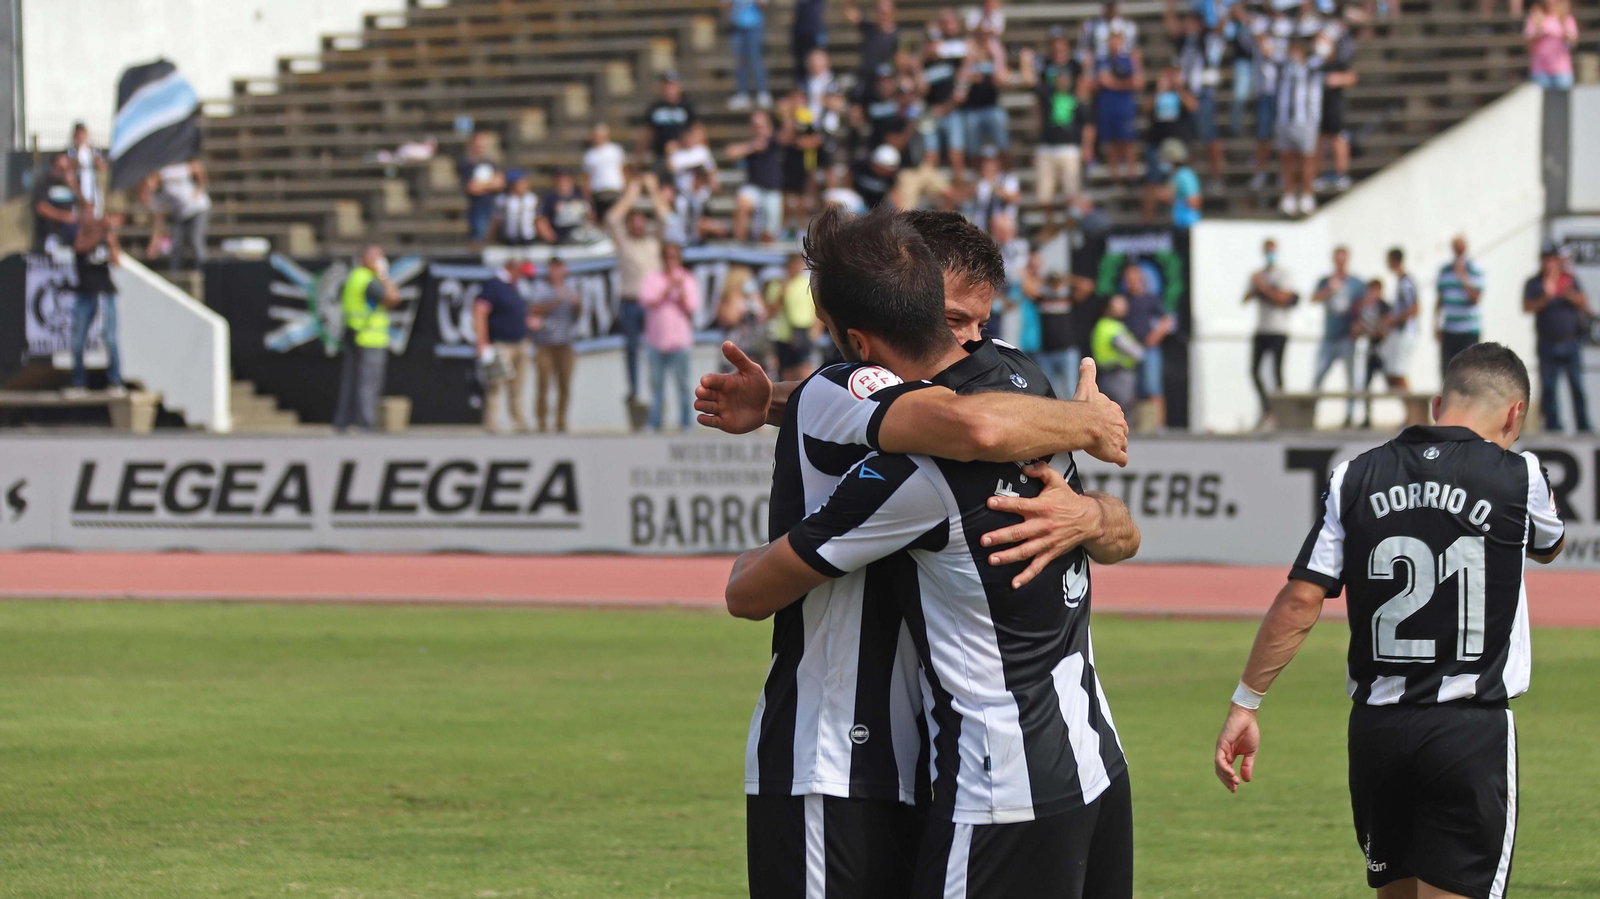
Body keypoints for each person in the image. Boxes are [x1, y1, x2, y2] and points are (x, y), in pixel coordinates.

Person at [714, 206, 1136, 899]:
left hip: (950, 759)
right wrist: (1091, 422)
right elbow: (952, 419)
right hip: (834, 751)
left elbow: (1116, 526)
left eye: (981, 322)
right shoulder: (946, 414)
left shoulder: (1001, 400)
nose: (971, 340)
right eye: (954, 319)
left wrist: (1089, 512)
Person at [1215, 342, 1565, 899]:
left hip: (1377, 735)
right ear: (1515, 413)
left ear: (1435, 404)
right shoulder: (1519, 475)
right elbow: (1548, 545)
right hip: (1467, 732)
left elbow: (1301, 600)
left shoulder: (1354, 474)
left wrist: (1245, 702)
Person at [603, 176, 663, 425]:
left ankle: (653, 391)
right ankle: (634, 389)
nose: (638, 225)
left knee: (653, 350)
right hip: (630, 302)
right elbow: (611, 219)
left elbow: (667, 218)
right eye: (634, 221)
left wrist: (653, 190)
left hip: (652, 306)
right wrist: (630, 196)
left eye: (642, 221)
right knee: (630, 349)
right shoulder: (624, 243)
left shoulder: (653, 242)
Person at [1523, 243, 1592, 433]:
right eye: (1546, 260)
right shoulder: (1534, 283)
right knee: (1549, 388)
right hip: (1547, 344)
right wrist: (1547, 295)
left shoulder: (1569, 280)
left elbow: (1584, 302)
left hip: (1570, 342)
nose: (1550, 263)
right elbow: (1527, 306)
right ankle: (1553, 426)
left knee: (1577, 386)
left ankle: (1583, 425)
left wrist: (1567, 293)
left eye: (1553, 259)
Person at [1026, 27, 1088, 233]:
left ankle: (1070, 224)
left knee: (1071, 191)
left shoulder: (1075, 69)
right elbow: (1033, 88)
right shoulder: (1046, 83)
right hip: (1048, 141)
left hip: (1069, 142)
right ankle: (1050, 224)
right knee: (1045, 192)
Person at [333, 246, 400, 431]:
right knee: (368, 384)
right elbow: (393, 297)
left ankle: (343, 422)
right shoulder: (368, 280)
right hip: (369, 337)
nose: (381, 261)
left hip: (354, 334)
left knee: (351, 382)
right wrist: (384, 274)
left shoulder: (355, 277)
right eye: (378, 258)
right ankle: (365, 425)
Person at [638, 243, 700, 431]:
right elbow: (646, 301)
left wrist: (680, 292)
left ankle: (686, 423)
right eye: (667, 256)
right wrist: (667, 288)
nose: (670, 260)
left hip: (680, 342)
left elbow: (692, 306)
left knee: (683, 386)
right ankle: (655, 422)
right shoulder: (652, 278)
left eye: (673, 257)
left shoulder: (687, 279)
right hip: (656, 341)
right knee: (657, 387)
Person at [68, 203, 124, 396]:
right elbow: (82, 247)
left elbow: (116, 262)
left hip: (105, 293)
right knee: (78, 340)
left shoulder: (104, 237)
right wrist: (102, 230)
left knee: (110, 337)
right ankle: (78, 382)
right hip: (85, 294)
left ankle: (115, 380)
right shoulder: (79, 235)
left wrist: (112, 242)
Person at [1168, 4, 1225, 186]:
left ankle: (1216, 176)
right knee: (1188, 138)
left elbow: (1220, 28)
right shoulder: (1184, 43)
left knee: (1209, 136)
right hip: (1186, 93)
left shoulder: (1208, 40)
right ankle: (1190, 179)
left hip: (1203, 94)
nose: (1187, 25)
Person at [474, 258, 532, 432]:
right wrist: (482, 342)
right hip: (500, 344)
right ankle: (492, 423)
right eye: (521, 271)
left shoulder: (516, 287)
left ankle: (519, 423)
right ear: (512, 267)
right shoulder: (494, 285)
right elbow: (480, 312)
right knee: (495, 386)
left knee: (518, 387)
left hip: (520, 343)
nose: (523, 276)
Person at [1245, 238, 1297, 429]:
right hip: (1262, 328)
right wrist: (1255, 286)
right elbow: (1246, 297)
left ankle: (1280, 414)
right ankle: (1267, 409)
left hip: (1279, 329)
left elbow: (1284, 298)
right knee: (1254, 371)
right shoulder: (1258, 275)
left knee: (1277, 372)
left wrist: (1263, 287)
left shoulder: (1283, 274)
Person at [1313, 245, 1365, 427]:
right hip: (1329, 337)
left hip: (1347, 338)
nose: (1341, 263)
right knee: (1318, 377)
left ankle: (1350, 416)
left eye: (1343, 259)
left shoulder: (1357, 283)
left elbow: (1364, 306)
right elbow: (1313, 298)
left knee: (1351, 378)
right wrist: (1329, 289)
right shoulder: (1326, 280)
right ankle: (1311, 413)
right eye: (1338, 259)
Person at [530, 256, 581, 433]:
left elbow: (579, 315)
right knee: (543, 384)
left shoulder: (572, 287)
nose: (557, 272)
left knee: (564, 385)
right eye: (553, 268)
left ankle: (561, 421)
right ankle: (542, 422)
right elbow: (533, 309)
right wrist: (555, 301)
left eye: (560, 268)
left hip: (566, 344)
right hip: (545, 344)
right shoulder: (540, 287)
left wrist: (576, 304)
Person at [1121, 264, 1175, 428]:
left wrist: (1155, 336)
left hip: (1149, 348)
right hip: (1130, 350)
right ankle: (1137, 423)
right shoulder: (1124, 300)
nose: (1131, 282)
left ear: (1141, 279)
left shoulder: (1150, 298)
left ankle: (1160, 424)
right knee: (1133, 389)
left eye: (1134, 278)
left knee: (1153, 387)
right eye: (1128, 279)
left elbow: (1167, 320)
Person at [1276, 35, 1323, 217]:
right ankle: (1288, 195)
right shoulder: (1284, 68)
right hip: (1284, 119)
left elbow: (1324, 55)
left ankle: (1307, 194)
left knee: (1306, 159)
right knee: (1287, 159)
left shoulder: (1312, 68)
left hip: (1305, 120)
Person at [140, 159, 211, 275]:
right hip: (181, 215)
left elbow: (197, 167)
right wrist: (154, 243)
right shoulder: (155, 197)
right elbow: (159, 220)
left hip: (197, 208)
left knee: (196, 239)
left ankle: (205, 270)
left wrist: (201, 187)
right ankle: (175, 274)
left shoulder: (170, 174)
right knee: (176, 243)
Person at [923, 8, 971, 180]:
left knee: (955, 154)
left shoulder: (955, 55)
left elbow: (962, 85)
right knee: (931, 156)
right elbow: (921, 89)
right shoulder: (924, 60)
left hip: (951, 110)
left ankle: (957, 192)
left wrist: (947, 107)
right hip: (930, 111)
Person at [1248, 5, 1291, 194]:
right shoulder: (1259, 23)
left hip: (1285, 88)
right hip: (1265, 89)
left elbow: (1279, 55)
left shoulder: (1290, 25)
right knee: (1263, 134)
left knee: (1283, 135)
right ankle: (1261, 171)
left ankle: (1284, 174)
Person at [727, 110, 788, 242]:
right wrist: (753, 146)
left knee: (769, 235)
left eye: (762, 126)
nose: (759, 130)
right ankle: (739, 243)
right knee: (743, 202)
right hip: (754, 188)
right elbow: (729, 153)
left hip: (773, 191)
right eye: (755, 126)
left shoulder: (776, 143)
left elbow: (789, 136)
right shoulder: (750, 146)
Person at [1314, 15, 1358, 193]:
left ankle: (1341, 174)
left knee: (1338, 139)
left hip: (1334, 108)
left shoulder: (1338, 63)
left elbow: (1352, 77)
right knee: (1319, 142)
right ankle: (1320, 175)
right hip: (1318, 109)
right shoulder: (1315, 64)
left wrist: (1337, 79)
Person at [1095, 30, 1143, 186]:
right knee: (1111, 143)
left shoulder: (1128, 60)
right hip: (1108, 107)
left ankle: (1131, 175)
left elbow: (1137, 82)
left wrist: (1114, 84)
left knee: (1128, 142)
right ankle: (1114, 176)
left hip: (1124, 108)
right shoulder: (1103, 61)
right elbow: (1101, 81)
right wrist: (1123, 84)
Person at [1437, 235, 1485, 378]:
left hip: (1468, 330)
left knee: (1469, 372)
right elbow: (1440, 299)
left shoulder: (1475, 270)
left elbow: (1476, 298)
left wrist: (1463, 278)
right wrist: (1436, 324)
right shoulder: (1445, 271)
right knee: (1448, 372)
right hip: (1449, 329)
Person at [959, 31, 1012, 155]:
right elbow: (962, 81)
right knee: (973, 147)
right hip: (971, 108)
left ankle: (1007, 172)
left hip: (992, 107)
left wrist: (995, 57)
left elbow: (1002, 79)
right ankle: (976, 172)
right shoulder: (968, 60)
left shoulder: (994, 59)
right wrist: (970, 61)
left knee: (1003, 143)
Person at [1092, 292, 1144, 414]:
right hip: (1119, 374)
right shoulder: (1113, 327)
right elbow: (1136, 352)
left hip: (1105, 374)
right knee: (1122, 410)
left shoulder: (1100, 325)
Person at [768, 253, 817, 380]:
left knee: (803, 366)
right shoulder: (778, 285)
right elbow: (771, 311)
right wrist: (781, 293)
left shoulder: (808, 284)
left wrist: (816, 329)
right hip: (783, 332)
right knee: (786, 368)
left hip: (803, 329)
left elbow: (816, 308)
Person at [716, 265, 771, 375]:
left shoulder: (753, 296)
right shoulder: (729, 298)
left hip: (756, 350)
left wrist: (754, 298)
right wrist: (739, 301)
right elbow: (730, 319)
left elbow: (763, 315)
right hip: (736, 348)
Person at [843, 0, 902, 100]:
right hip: (865, 78)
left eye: (885, 12)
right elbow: (849, 14)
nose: (883, 14)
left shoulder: (896, 35)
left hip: (884, 82)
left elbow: (899, 61)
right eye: (880, 11)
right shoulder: (868, 28)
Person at [457, 131, 505, 250]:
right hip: (477, 207)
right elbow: (472, 188)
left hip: (492, 205)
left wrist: (482, 185)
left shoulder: (490, 162)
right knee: (477, 235)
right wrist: (490, 184)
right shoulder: (467, 164)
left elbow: (500, 183)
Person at [1382, 247, 1419, 394]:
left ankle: (1413, 410)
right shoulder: (1400, 281)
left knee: (1398, 372)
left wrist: (1394, 319)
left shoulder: (1406, 282)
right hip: (1400, 333)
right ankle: (1409, 410)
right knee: (1393, 373)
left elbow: (1414, 308)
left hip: (1405, 333)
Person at [640, 72, 697, 162]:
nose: (669, 89)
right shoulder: (655, 108)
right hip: (660, 155)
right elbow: (647, 133)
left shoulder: (686, 106)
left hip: (683, 153)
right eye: (666, 85)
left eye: (672, 85)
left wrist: (679, 144)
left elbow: (696, 130)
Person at [726, 0, 772, 111]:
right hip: (737, 25)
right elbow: (725, 5)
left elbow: (764, 5)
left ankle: (762, 92)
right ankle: (743, 94)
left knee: (755, 59)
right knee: (740, 61)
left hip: (754, 25)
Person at [33, 153, 80, 257]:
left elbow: (88, 206)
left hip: (73, 236)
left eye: (66, 168)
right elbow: (41, 207)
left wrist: (74, 186)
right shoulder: (44, 183)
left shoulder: (74, 184)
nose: (63, 172)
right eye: (60, 168)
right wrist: (65, 217)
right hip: (51, 236)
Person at [1525, 0, 1578, 89]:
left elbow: (1572, 42)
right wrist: (1538, 29)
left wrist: (1563, 28)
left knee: (1562, 101)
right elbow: (1528, 43)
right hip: (1540, 70)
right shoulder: (1536, 18)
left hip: (1562, 70)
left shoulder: (1566, 18)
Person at [1149, 138, 1202, 228]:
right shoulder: (1175, 176)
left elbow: (1194, 201)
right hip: (1179, 223)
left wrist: (1173, 198)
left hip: (1188, 224)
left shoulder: (1185, 175)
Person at [582, 122, 627, 221]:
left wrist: (625, 191)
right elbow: (586, 179)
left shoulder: (615, 150)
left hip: (615, 191)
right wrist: (588, 200)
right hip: (598, 193)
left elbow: (624, 171)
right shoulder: (589, 155)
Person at [536, 168, 592, 245]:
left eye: (566, 179)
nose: (563, 182)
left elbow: (590, 215)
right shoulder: (549, 198)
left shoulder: (580, 195)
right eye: (560, 179)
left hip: (581, 234)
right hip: (561, 237)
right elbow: (541, 219)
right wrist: (550, 236)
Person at [66, 123, 108, 215]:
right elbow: (70, 167)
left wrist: (93, 154)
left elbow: (102, 167)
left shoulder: (93, 149)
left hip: (93, 186)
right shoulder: (71, 150)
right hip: (79, 185)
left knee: (96, 212)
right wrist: (78, 149)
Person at [490, 169, 539, 246]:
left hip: (528, 238)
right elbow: (496, 220)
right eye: (520, 183)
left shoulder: (532, 198)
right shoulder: (502, 199)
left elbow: (538, 219)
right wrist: (491, 237)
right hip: (509, 238)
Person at [791, 0, 828, 84]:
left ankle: (822, 88)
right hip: (799, 32)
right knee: (800, 63)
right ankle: (802, 86)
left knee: (817, 60)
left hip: (814, 30)